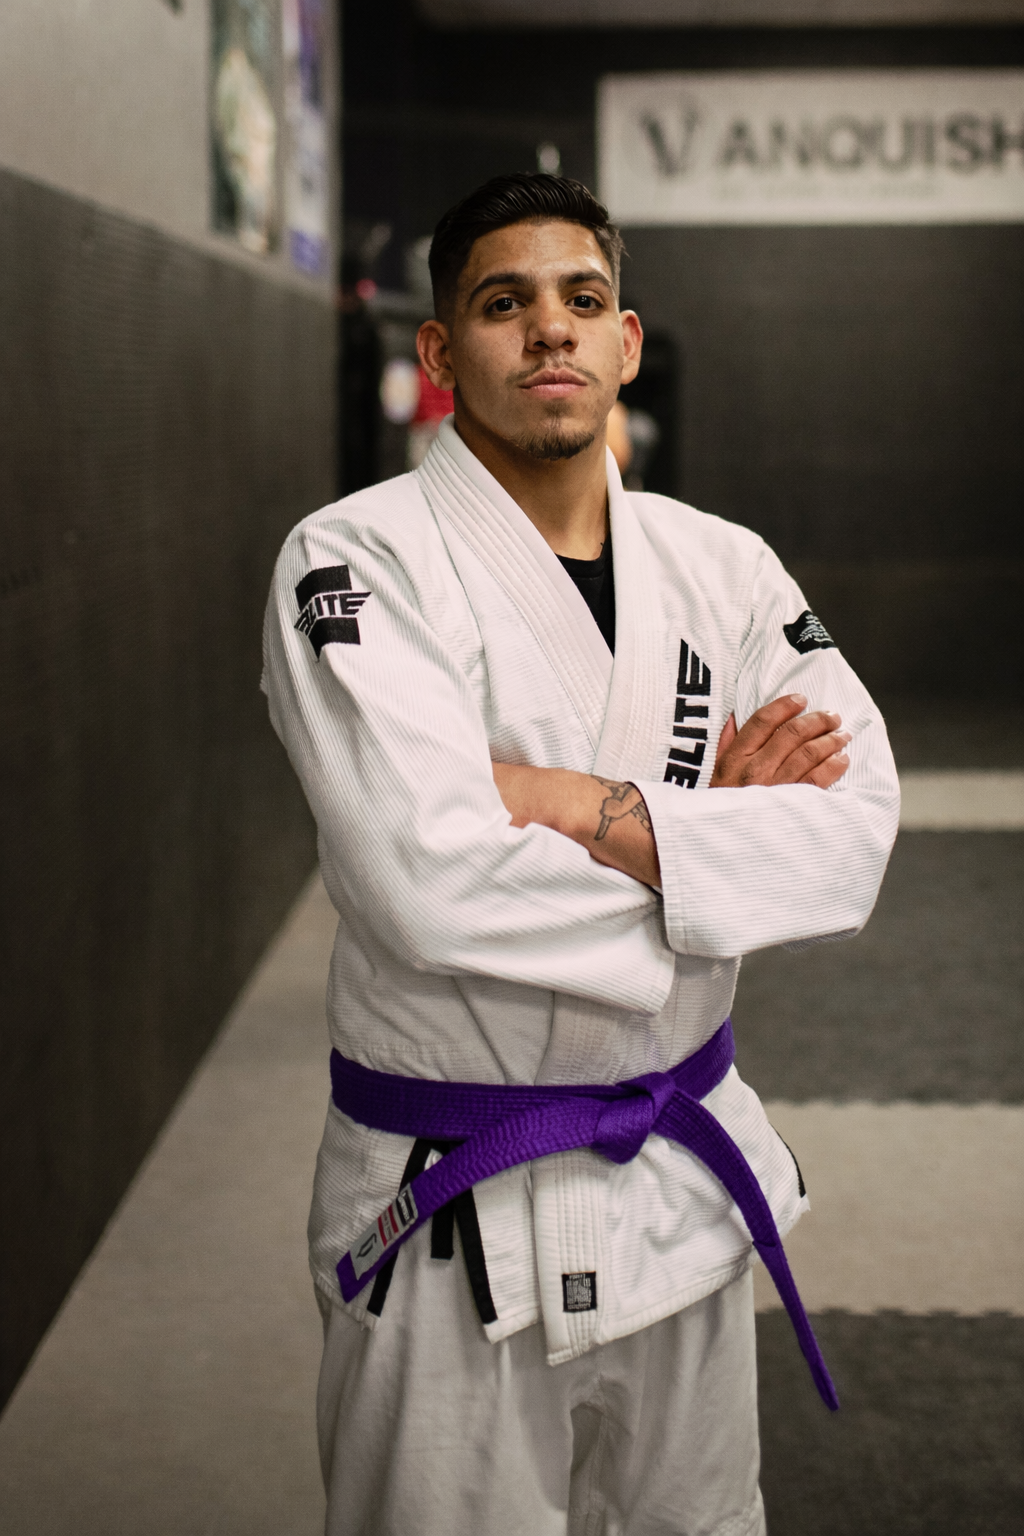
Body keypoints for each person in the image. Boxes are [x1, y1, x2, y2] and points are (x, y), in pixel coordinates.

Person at [262, 173, 899, 1536]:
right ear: (440, 353)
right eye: (505, 304)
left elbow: (849, 839)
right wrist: (711, 843)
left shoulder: (725, 568)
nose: (550, 330)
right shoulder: (354, 562)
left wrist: (567, 804)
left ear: (625, 340)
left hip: (681, 1182)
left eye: (583, 300)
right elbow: (427, 882)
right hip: (450, 1198)